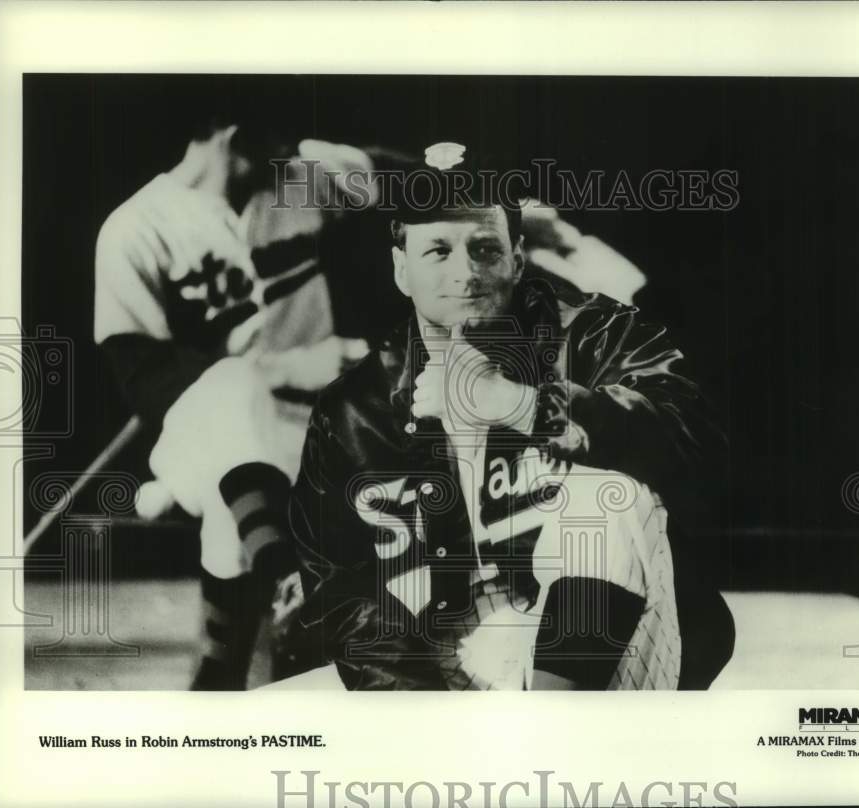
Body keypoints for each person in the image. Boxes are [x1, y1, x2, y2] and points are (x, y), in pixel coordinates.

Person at [273, 142, 736, 690]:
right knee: (265, 720)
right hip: (439, 662)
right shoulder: (354, 409)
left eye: (485, 249)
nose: (465, 272)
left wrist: (521, 403)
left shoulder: (594, 334)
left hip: (602, 652)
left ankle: (543, 737)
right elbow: (342, 595)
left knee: (607, 499)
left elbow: (696, 445)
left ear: (518, 258)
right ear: (401, 270)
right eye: (438, 251)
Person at [93, 114, 373, 689]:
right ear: (235, 130)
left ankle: (231, 664)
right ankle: (286, 579)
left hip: (317, 431)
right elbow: (147, 380)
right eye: (276, 126)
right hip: (210, 431)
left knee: (238, 523)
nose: (288, 144)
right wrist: (287, 367)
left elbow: (422, 184)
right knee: (231, 404)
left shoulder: (302, 177)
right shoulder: (136, 229)